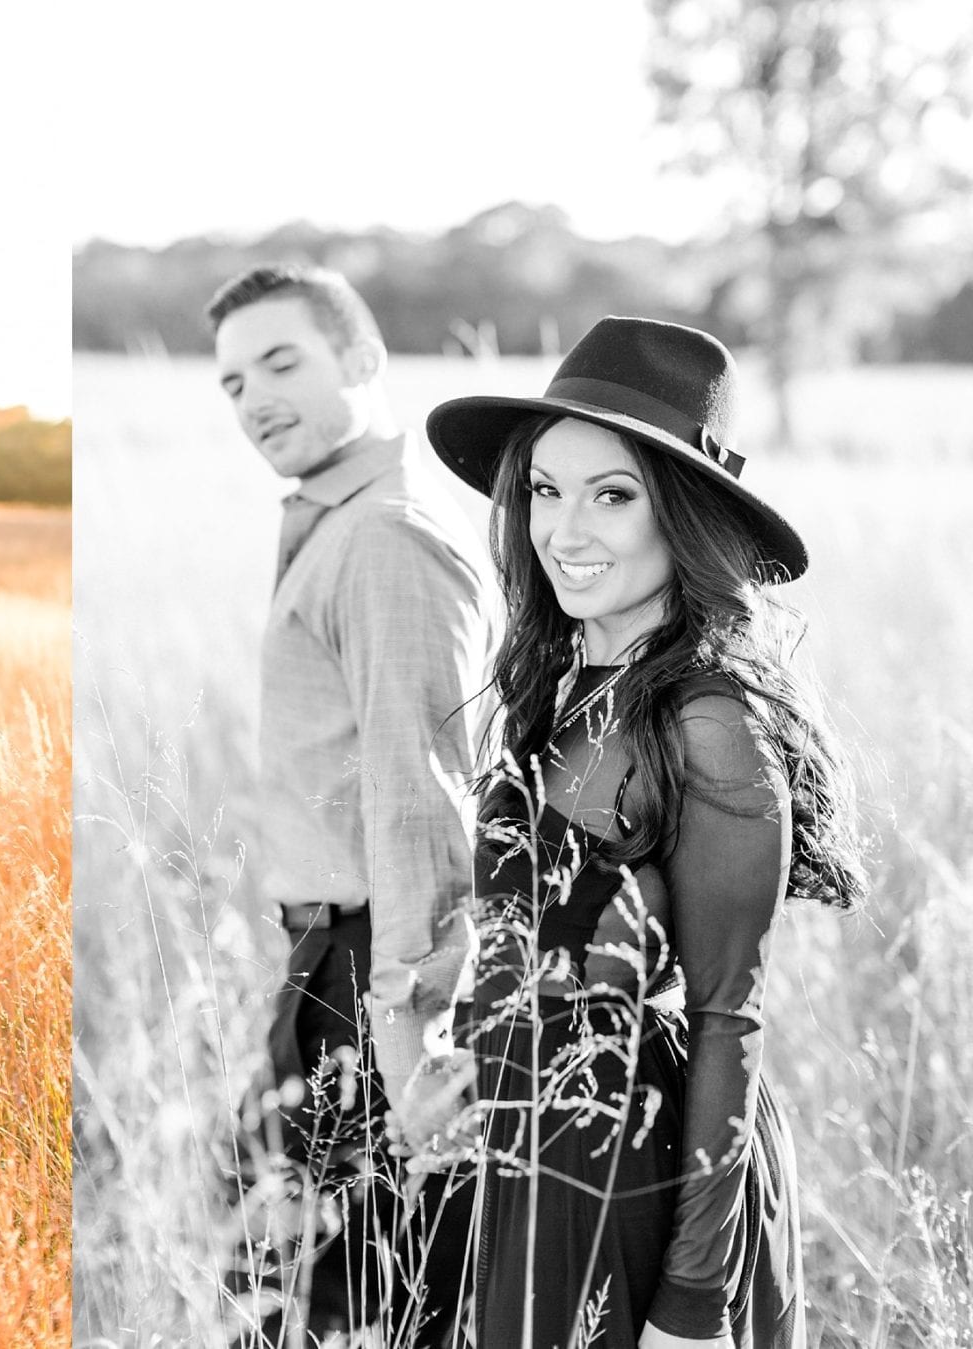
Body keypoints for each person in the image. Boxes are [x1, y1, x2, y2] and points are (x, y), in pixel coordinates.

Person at [423, 316, 866, 1347]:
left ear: (682, 513)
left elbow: (728, 1014)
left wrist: (693, 1301)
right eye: (545, 488)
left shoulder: (709, 722)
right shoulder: (564, 678)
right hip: (536, 1147)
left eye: (611, 494)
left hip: (651, 1168)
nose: (563, 531)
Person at [208, 263, 496, 1347]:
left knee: (369, 1301)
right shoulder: (339, 522)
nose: (255, 399)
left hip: (372, 974)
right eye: (233, 382)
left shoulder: (384, 534)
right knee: (305, 1292)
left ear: (363, 359)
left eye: (282, 362)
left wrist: (410, 1031)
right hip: (322, 958)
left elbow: (423, 796)